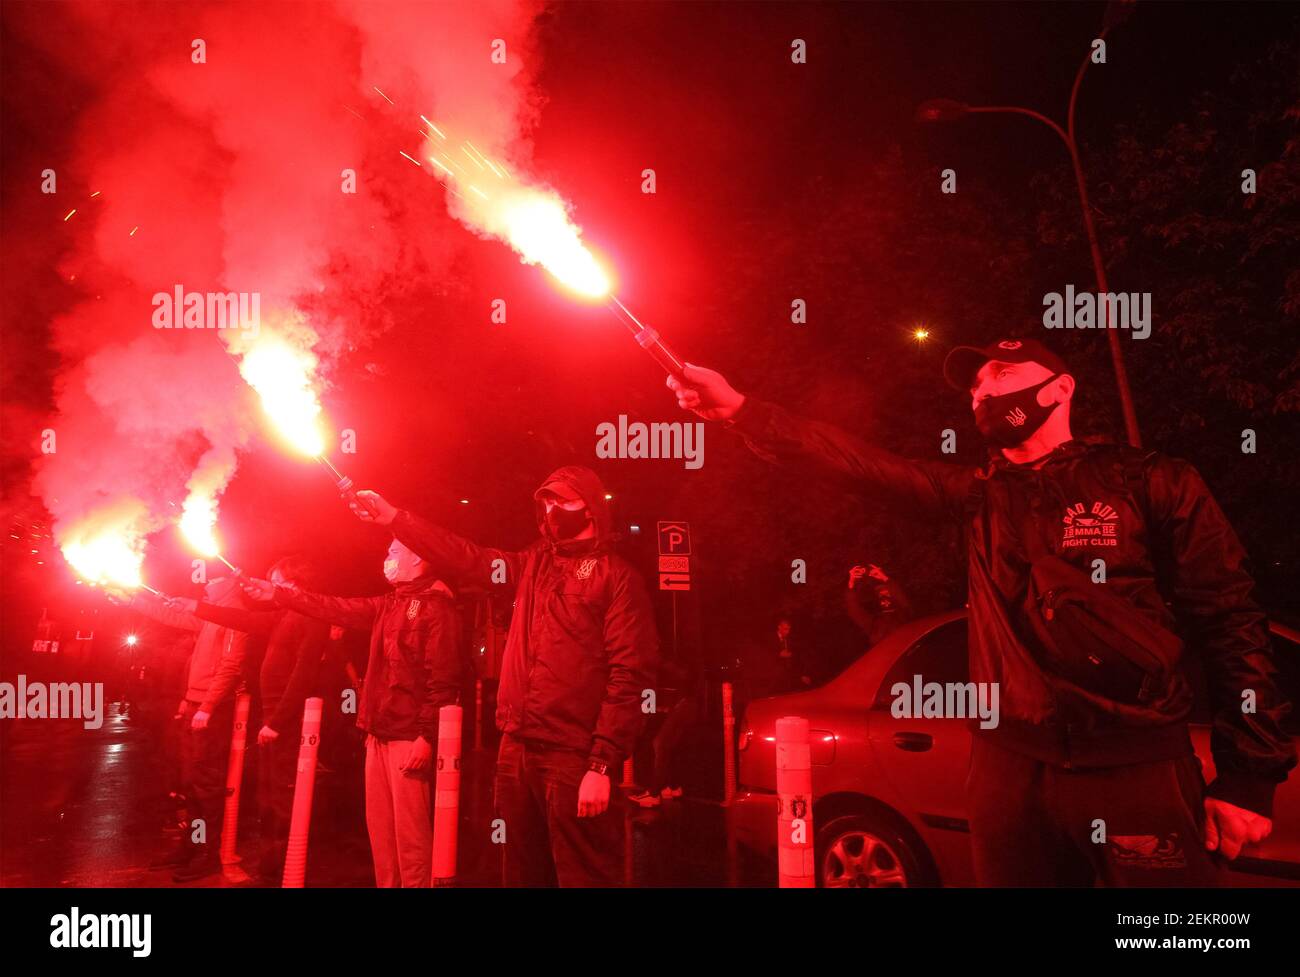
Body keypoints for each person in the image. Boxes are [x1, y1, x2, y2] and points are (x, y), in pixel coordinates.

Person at [667, 337, 1295, 886]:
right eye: (974, 386)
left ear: (1061, 389)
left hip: (1137, 767)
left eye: (1000, 376)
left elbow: (1231, 621)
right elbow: (863, 466)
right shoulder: (979, 498)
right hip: (1009, 771)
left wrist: (1248, 780)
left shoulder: (1152, 481)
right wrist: (745, 413)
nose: (981, 391)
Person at [346, 465, 659, 887]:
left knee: (584, 874)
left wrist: (602, 764)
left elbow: (630, 675)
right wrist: (396, 518)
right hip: (516, 747)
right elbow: (471, 558)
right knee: (520, 871)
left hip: (574, 755)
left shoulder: (617, 578)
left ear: (591, 509)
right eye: (546, 502)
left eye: (563, 501)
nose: (551, 510)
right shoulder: (533, 565)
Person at [239, 540, 462, 888]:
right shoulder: (389, 604)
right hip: (378, 731)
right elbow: (334, 607)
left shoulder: (438, 608)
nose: (386, 558)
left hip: (408, 736)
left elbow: (443, 677)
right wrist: (280, 595)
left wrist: (427, 735)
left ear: (418, 557)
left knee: (410, 836)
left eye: (393, 552)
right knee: (382, 834)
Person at [166, 555, 330, 883]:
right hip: (271, 719)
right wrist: (195, 606)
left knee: (283, 799)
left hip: (287, 722)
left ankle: (284, 871)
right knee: (267, 800)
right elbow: (245, 621)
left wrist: (278, 722)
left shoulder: (311, 616)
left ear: (297, 584)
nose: (274, 588)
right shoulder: (284, 615)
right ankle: (269, 869)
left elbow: (303, 673)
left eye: (279, 581)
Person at [119, 577, 251, 882]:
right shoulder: (212, 614)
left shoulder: (234, 617)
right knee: (190, 781)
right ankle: (192, 844)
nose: (206, 584)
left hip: (210, 710)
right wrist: (132, 599)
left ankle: (207, 852)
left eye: (214, 579)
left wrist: (206, 705)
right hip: (195, 704)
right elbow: (174, 616)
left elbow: (231, 666)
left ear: (230, 584)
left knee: (205, 783)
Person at [845, 563, 911, 647]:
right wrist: (851, 583)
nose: (883, 595)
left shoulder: (903, 615)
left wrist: (884, 578)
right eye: (880, 592)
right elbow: (854, 610)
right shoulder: (874, 624)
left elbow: (901, 598)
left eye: (885, 591)